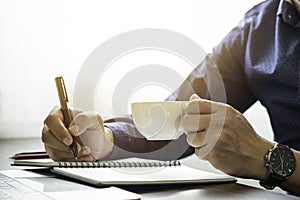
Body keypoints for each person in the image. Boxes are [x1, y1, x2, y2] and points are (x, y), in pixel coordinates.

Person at [42, 0, 300, 196]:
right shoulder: (259, 28)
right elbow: (176, 118)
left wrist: (266, 157)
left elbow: (262, 156)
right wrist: (105, 139)